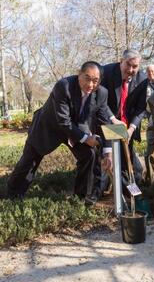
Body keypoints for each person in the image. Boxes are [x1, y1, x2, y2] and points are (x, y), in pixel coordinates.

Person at [7, 61, 112, 205]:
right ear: (79, 74)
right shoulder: (64, 86)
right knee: (28, 162)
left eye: (95, 80)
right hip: (49, 127)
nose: (91, 84)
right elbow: (63, 121)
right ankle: (12, 196)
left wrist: (108, 151)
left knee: (89, 155)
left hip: (76, 130)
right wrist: (86, 138)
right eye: (87, 78)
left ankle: (79, 198)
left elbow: (105, 122)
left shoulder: (102, 93)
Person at [102, 49, 147, 186]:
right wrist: (113, 120)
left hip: (127, 127)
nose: (131, 69)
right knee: (108, 158)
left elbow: (141, 108)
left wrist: (131, 129)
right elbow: (100, 102)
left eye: (135, 66)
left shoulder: (142, 79)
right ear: (121, 61)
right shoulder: (106, 73)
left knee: (128, 162)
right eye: (128, 64)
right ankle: (101, 189)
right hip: (107, 121)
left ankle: (131, 191)